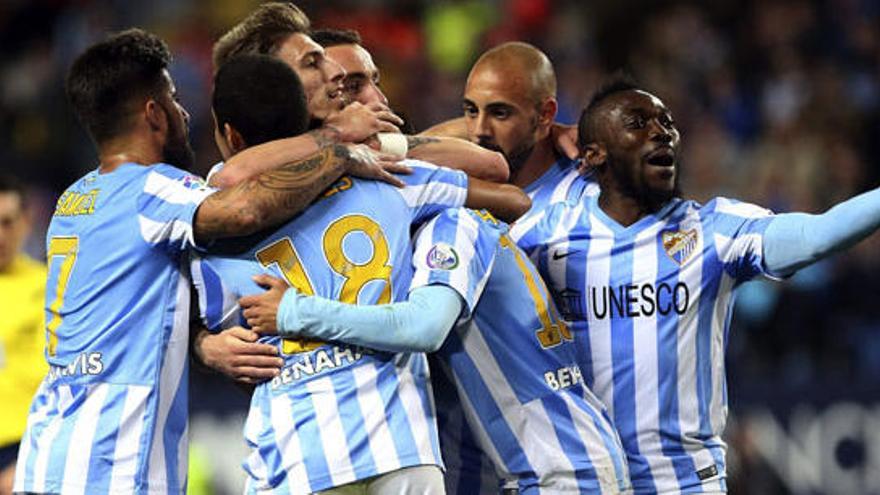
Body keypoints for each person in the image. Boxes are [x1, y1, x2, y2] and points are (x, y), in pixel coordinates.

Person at [12, 29, 395, 495]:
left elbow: (128, 308)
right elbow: (245, 207)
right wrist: (337, 149)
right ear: (153, 114)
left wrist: (201, 344)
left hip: (49, 450)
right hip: (111, 456)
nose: (184, 111)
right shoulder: (155, 188)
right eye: (173, 98)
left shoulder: (74, 202)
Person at [513, 78, 880, 494]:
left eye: (667, 123)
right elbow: (451, 161)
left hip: (683, 482)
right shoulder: (543, 236)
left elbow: (817, 236)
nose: (660, 131)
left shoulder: (713, 232)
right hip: (579, 483)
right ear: (594, 153)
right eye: (638, 122)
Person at [191, 53, 530, 494]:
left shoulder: (206, 217)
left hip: (298, 456)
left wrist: (204, 345)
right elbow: (506, 189)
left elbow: (190, 317)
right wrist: (378, 145)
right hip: (401, 446)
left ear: (229, 134)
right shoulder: (391, 178)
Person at [239, 206, 633, 494]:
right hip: (540, 469)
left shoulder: (449, 226)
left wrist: (296, 310)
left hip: (564, 468)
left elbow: (422, 326)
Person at [423, 42, 595, 216]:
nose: (479, 130)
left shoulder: (583, 199)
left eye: (499, 113)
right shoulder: (454, 182)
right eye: (472, 111)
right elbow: (406, 156)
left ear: (545, 114)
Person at [0, 175, 46, 495]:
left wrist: (29, 459)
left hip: (22, 447)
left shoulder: (47, 286)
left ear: (26, 222)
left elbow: (63, 381)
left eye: (7, 222)